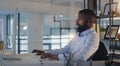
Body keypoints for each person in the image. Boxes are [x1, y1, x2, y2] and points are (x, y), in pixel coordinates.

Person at [32, 9, 99, 61]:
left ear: (88, 21)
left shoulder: (93, 37)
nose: (76, 21)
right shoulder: (78, 35)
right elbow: (66, 49)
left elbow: (80, 57)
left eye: (79, 19)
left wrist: (55, 57)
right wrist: (45, 52)